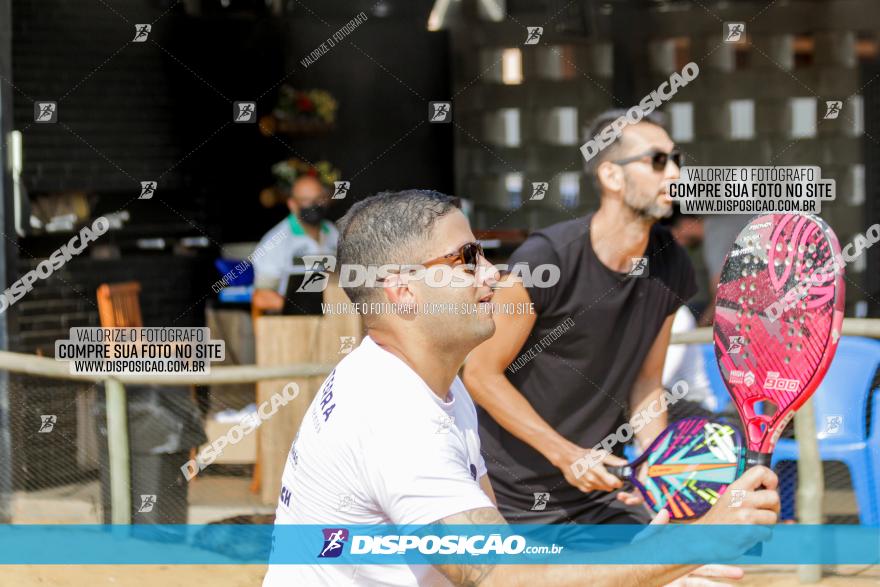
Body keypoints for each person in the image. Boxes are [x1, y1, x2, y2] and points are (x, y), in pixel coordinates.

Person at [262, 189, 780, 587]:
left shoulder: (429, 381)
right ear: (404, 293)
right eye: (466, 260)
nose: (493, 274)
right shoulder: (396, 415)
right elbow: (499, 577)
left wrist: (647, 564)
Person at [462, 110, 696, 524]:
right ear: (612, 175)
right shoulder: (546, 259)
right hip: (510, 497)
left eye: (676, 159)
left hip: (599, 492)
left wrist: (654, 468)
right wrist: (566, 455)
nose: (674, 173)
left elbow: (646, 385)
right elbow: (480, 373)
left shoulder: (671, 262)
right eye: (658, 161)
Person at [251, 174, 339, 313]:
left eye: (318, 199)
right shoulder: (275, 241)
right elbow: (261, 297)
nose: (314, 205)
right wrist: (305, 309)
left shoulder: (334, 233)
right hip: (289, 325)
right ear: (292, 204)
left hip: (334, 318)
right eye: (306, 200)